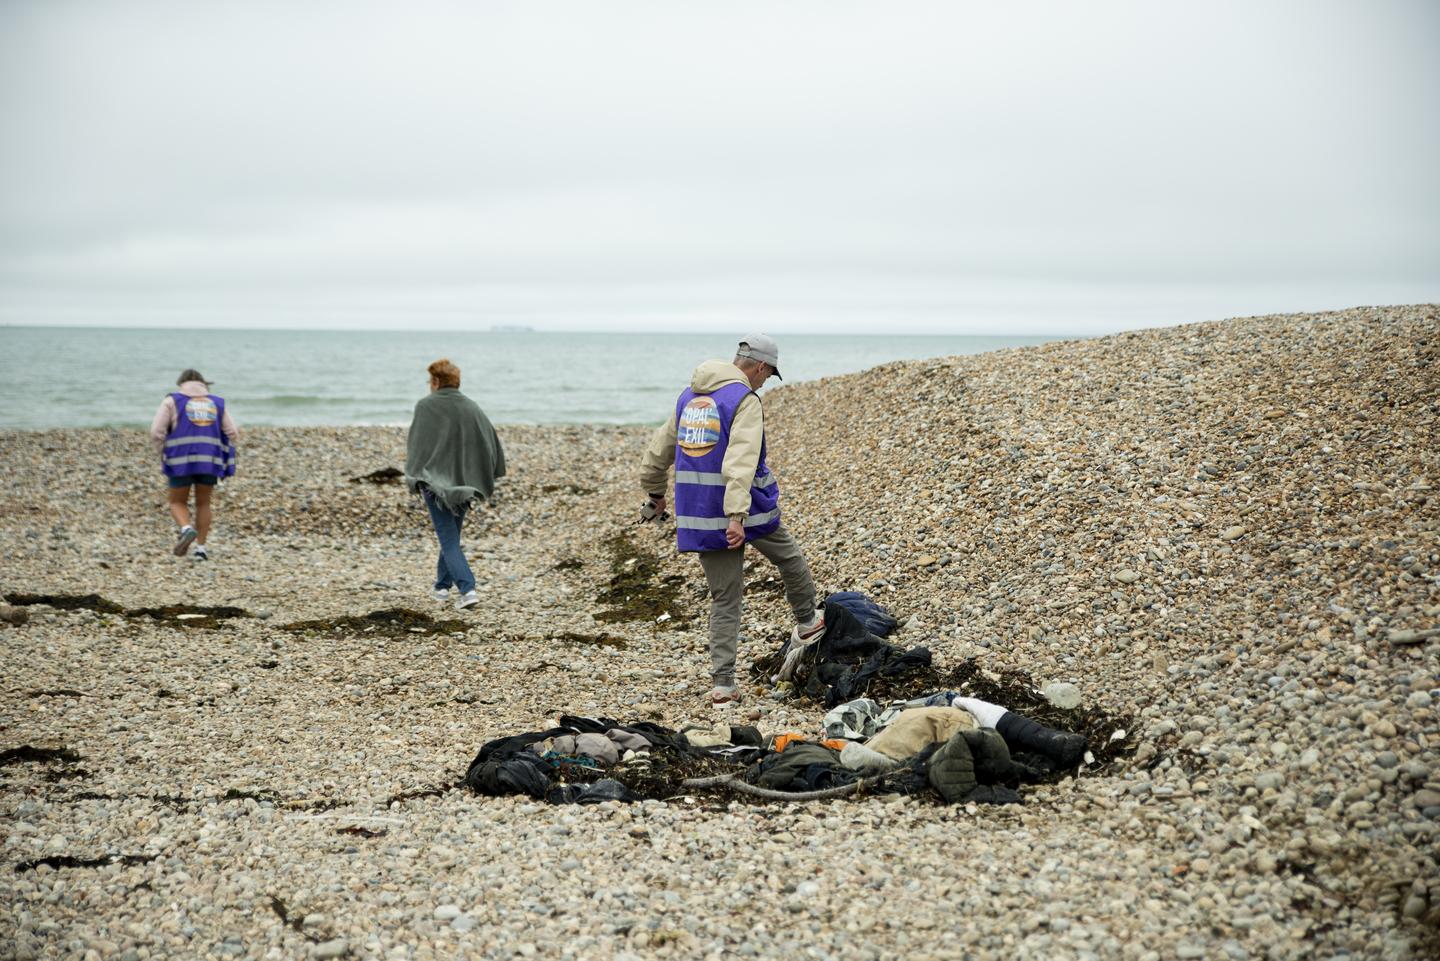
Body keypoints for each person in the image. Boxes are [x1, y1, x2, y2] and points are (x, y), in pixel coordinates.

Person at [639, 333, 824, 708]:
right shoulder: (744, 400)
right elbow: (739, 460)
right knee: (789, 558)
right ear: (759, 366)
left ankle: (723, 685)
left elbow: (658, 452)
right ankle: (807, 623)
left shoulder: (689, 398)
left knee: (725, 598)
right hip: (745, 510)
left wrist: (655, 495)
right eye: (768, 375)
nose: (765, 381)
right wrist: (737, 516)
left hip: (701, 514)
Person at [404, 358, 506, 611]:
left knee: (449, 540)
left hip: (435, 485)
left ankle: (467, 588)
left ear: (436, 381)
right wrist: (486, 472)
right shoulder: (471, 406)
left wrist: (414, 474)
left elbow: (417, 444)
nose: (429, 384)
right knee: (451, 536)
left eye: (430, 380)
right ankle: (441, 587)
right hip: (464, 485)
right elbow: (489, 441)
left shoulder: (426, 406)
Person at [150, 369, 239, 560]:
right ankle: (201, 550)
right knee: (204, 503)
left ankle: (186, 528)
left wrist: (162, 451)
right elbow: (233, 432)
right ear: (204, 384)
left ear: (180, 384)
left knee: (177, 501)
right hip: (210, 459)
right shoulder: (217, 402)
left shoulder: (171, 401)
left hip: (179, 459)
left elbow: (156, 431)